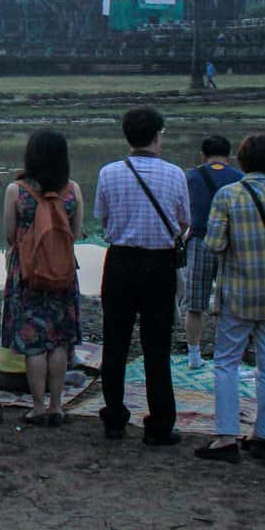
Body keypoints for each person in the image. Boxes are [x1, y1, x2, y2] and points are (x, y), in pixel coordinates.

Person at [195, 134, 265, 467]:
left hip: (237, 294)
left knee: (226, 363)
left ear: (242, 160)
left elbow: (213, 244)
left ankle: (226, 436)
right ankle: (262, 436)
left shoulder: (228, 195)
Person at [94, 106, 189, 445]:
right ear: (157, 135)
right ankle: (160, 424)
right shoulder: (175, 174)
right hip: (159, 265)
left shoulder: (109, 173)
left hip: (120, 262)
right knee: (157, 347)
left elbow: (102, 221)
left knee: (115, 343)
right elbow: (183, 223)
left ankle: (115, 418)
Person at [1, 129, 82, 426]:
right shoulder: (73, 190)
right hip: (62, 272)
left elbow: (9, 235)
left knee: (34, 342)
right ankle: (57, 406)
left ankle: (38, 407)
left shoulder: (16, 191)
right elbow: (74, 234)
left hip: (27, 273)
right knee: (58, 341)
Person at [184, 135, 243, 369]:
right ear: (229, 156)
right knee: (230, 304)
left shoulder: (191, 177)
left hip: (199, 240)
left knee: (195, 303)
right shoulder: (239, 178)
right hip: (231, 244)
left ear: (203, 155)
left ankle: (194, 356)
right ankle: (228, 357)